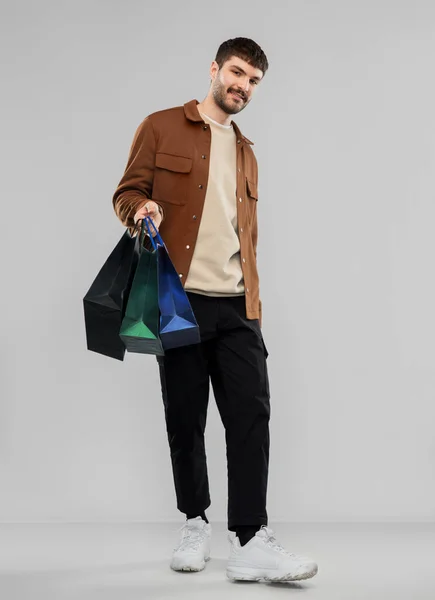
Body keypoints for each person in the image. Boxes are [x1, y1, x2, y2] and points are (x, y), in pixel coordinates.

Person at [112, 37, 318, 583]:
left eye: (252, 81)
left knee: (252, 417)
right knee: (185, 417)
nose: (242, 87)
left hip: (237, 305)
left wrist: (253, 305)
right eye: (236, 73)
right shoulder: (160, 126)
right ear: (214, 69)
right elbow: (125, 193)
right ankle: (195, 522)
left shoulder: (248, 151)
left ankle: (250, 538)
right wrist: (141, 210)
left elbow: (243, 235)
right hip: (178, 301)